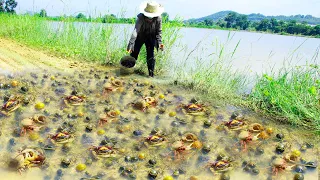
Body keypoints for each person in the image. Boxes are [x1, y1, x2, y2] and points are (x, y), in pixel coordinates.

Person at [127, 1, 165, 77]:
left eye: (151, 17)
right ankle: (128, 71)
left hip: (151, 37)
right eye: (148, 17)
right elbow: (136, 31)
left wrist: (160, 44)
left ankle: (151, 75)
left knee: (151, 56)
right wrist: (131, 43)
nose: (149, 19)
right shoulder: (140, 17)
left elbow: (159, 32)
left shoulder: (158, 18)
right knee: (134, 53)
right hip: (140, 36)